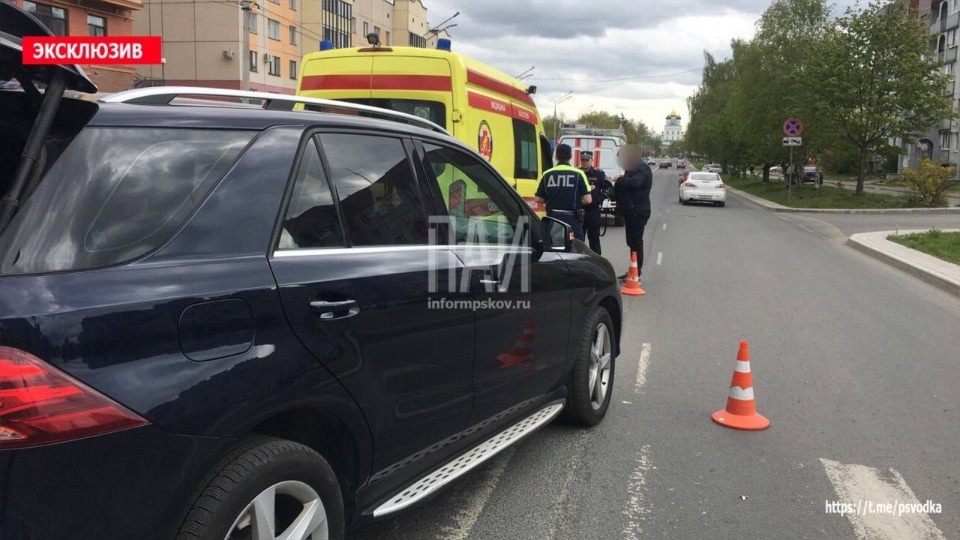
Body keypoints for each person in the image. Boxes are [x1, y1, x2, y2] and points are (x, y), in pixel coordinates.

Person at [612, 145, 653, 281]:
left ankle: (636, 273)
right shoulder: (631, 169)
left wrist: (620, 180)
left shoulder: (642, 168)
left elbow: (634, 183)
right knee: (631, 242)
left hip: (638, 211)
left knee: (635, 242)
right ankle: (633, 270)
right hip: (631, 211)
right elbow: (625, 189)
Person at [535, 143, 592, 241]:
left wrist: (554, 199)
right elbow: (588, 200)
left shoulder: (547, 174)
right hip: (572, 219)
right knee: (576, 246)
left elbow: (538, 198)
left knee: (552, 245)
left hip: (553, 218)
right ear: (571, 156)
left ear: (556, 157)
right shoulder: (579, 174)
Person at [579, 150, 613, 254]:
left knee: (594, 239)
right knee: (578, 240)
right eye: (582, 160)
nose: (584, 162)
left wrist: (599, 199)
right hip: (579, 211)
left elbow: (608, 188)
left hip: (593, 211)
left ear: (591, 160)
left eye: (587, 160)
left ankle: (597, 260)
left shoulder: (598, 174)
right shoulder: (576, 173)